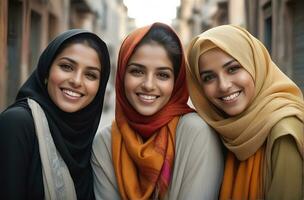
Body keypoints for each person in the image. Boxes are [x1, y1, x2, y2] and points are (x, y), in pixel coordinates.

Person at [91, 22, 224, 200]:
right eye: (137, 71)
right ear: (122, 75)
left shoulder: (196, 133)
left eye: (162, 75)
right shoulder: (105, 143)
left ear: (176, 82)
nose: (148, 85)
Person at [186, 24, 304, 200]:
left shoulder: (285, 131)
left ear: (255, 64)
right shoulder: (225, 131)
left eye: (233, 69)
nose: (224, 85)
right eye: (209, 77)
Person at [0, 29, 110, 199]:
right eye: (66, 67)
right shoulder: (17, 124)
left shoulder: (89, 140)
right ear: (46, 70)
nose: (76, 81)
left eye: (90, 75)